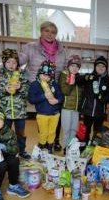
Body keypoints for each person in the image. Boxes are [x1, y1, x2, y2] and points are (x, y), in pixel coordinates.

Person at [18, 21, 68, 152]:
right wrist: (0, 68)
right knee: (43, 115)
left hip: (55, 85)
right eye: (47, 31)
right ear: (41, 31)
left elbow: (67, 67)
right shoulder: (30, 47)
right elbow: (16, 61)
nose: (50, 34)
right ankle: (43, 141)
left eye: (53, 32)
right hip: (37, 85)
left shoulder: (61, 50)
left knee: (56, 113)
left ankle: (54, 140)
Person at [0, 49, 31, 160]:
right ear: (4, 62)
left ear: (17, 63)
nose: (11, 65)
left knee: (20, 134)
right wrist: (4, 89)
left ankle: (22, 151)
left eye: (14, 62)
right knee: (4, 133)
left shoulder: (22, 75)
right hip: (4, 112)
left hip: (20, 112)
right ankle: (5, 151)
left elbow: (28, 93)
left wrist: (21, 88)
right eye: (8, 62)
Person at [28, 60, 63, 153]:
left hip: (55, 114)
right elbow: (31, 99)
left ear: (51, 76)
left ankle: (50, 146)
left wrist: (57, 100)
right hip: (42, 114)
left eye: (48, 76)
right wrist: (44, 96)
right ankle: (42, 145)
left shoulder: (55, 85)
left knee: (52, 132)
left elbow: (61, 96)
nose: (45, 77)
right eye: (43, 74)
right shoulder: (35, 85)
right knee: (43, 132)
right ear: (39, 74)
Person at [79, 56, 109, 144]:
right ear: (95, 67)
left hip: (100, 112)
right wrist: (86, 77)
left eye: (103, 66)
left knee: (97, 133)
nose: (100, 68)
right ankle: (84, 147)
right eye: (98, 66)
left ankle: (94, 149)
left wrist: (103, 98)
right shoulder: (89, 77)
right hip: (87, 111)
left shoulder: (108, 82)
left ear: (106, 68)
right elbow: (78, 80)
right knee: (85, 131)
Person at [58, 55, 83, 150]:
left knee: (74, 130)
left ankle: (71, 148)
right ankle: (65, 147)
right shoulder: (64, 75)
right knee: (66, 130)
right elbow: (65, 91)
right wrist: (71, 82)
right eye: (72, 65)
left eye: (77, 66)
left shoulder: (79, 78)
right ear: (68, 66)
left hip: (76, 109)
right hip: (66, 108)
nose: (75, 68)